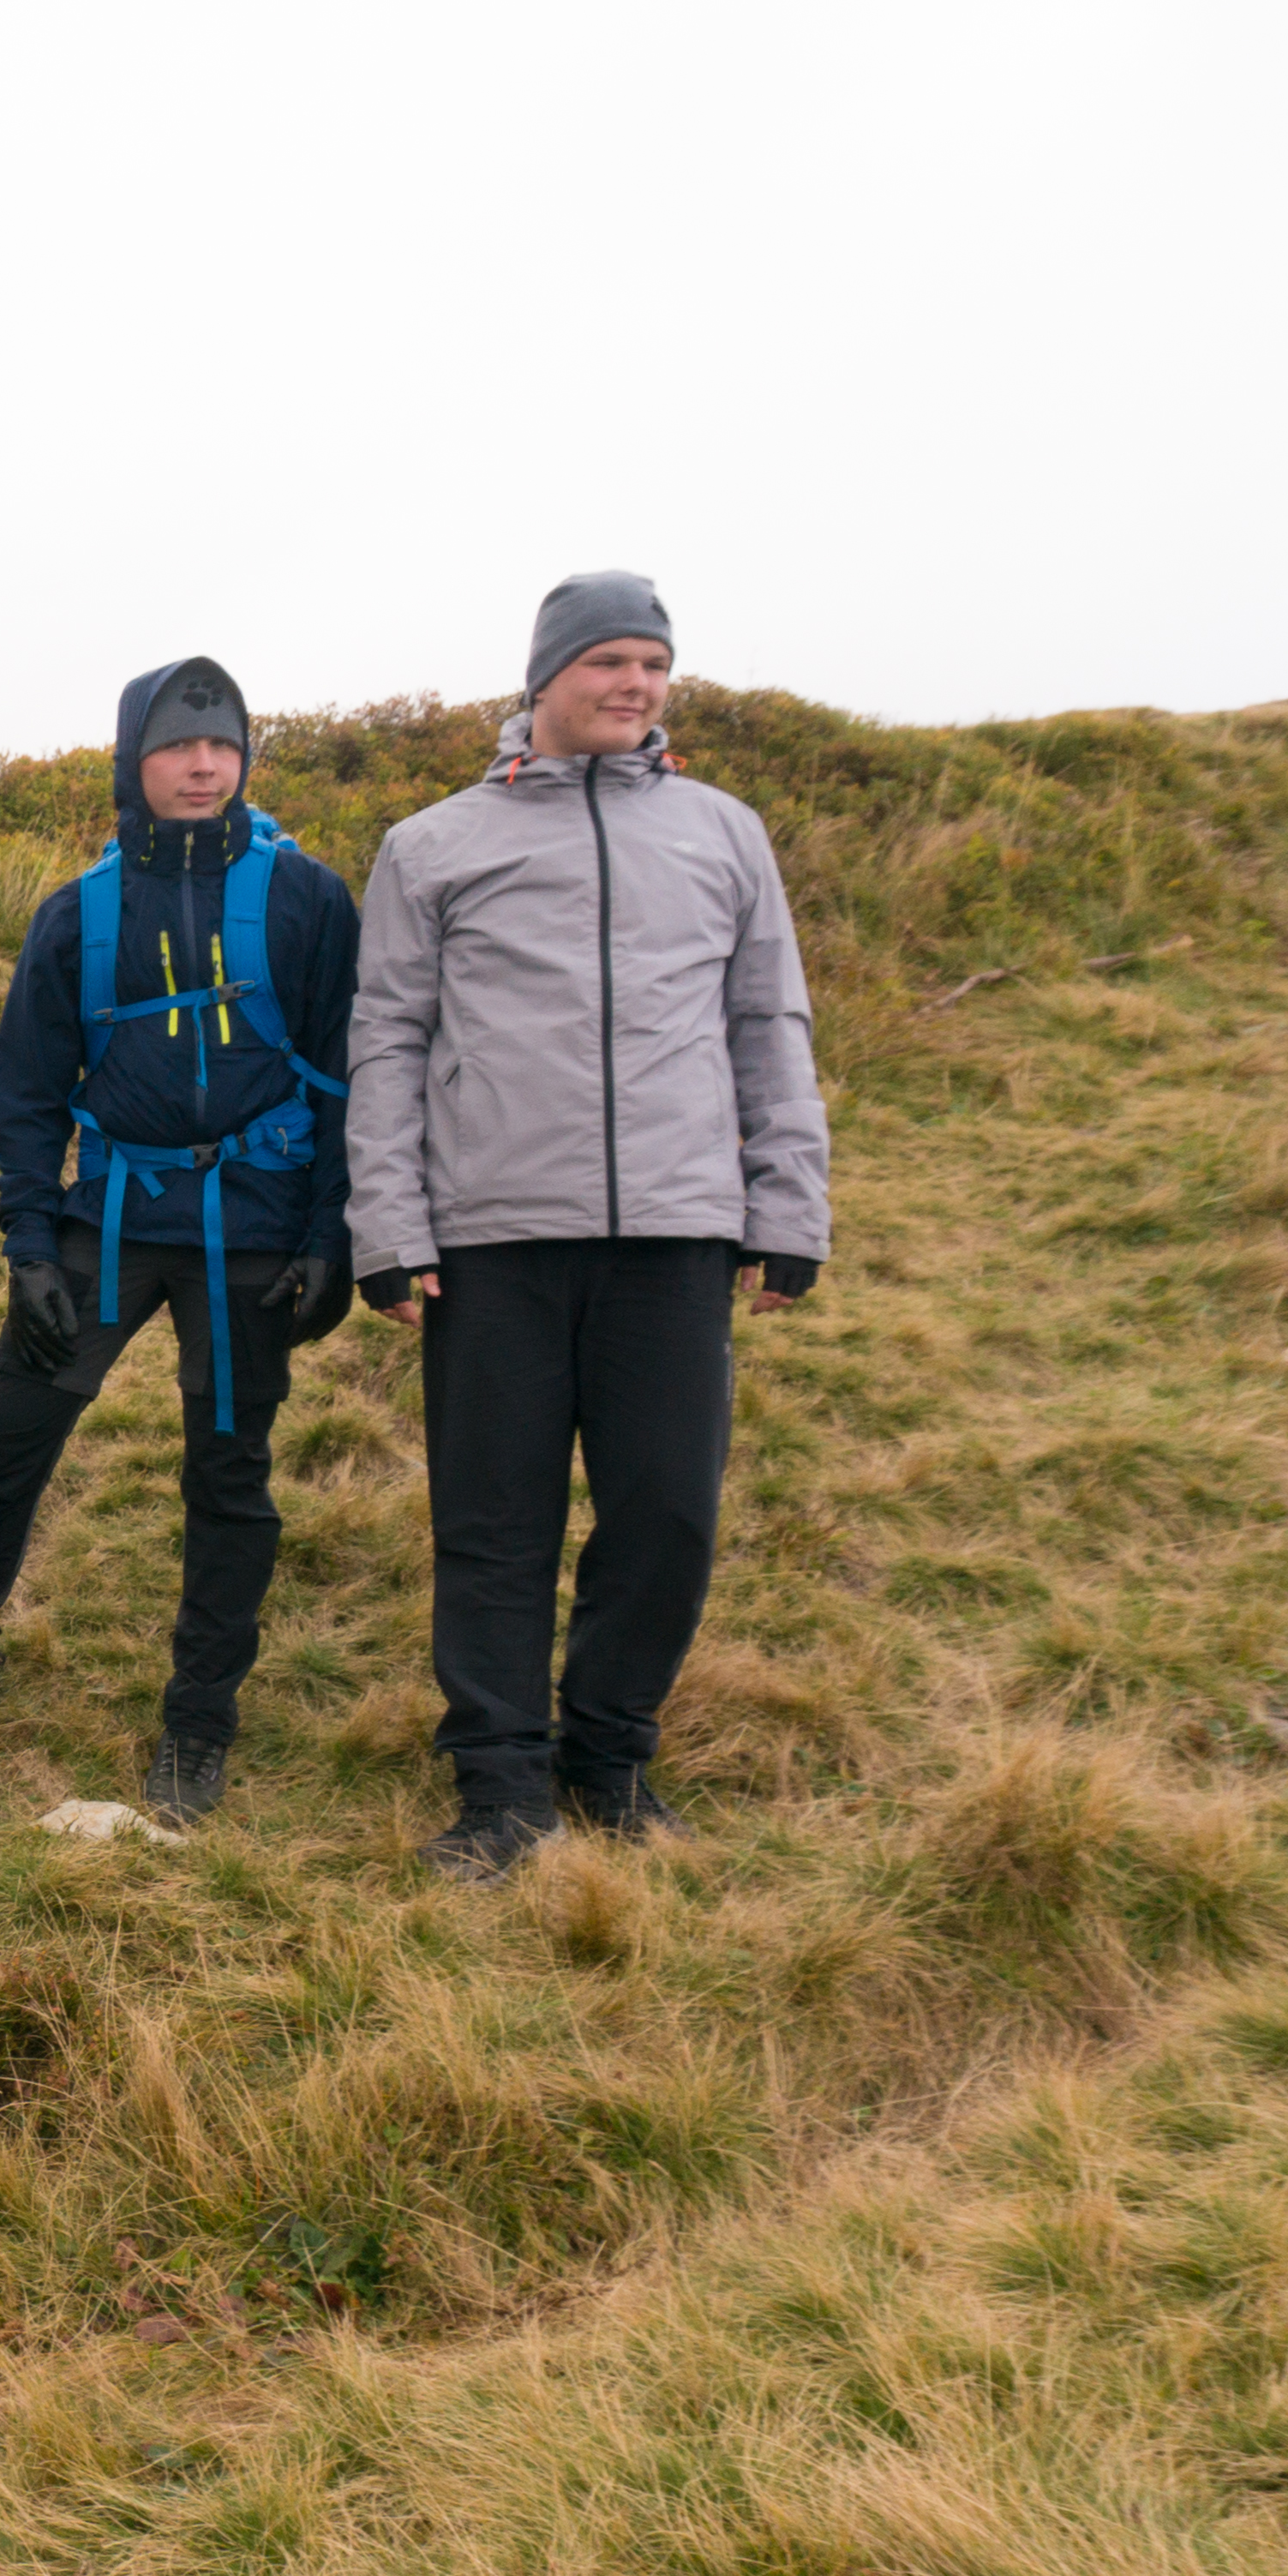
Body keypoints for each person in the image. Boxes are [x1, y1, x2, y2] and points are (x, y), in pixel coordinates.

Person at [348, 573, 831, 1881]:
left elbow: (767, 1027)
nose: (637, 685)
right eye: (611, 661)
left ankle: (609, 1760)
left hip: (676, 1233)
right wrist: (387, 1227)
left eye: (655, 664)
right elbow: (386, 1043)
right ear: (546, 677)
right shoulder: (434, 844)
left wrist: (787, 1207)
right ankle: (500, 1791)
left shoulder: (725, 834)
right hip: (492, 1241)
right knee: (494, 1525)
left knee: (667, 1515)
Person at [0, 659, 361, 1823]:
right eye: (178, 748)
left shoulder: (308, 900)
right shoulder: (77, 912)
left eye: (222, 747)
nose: (200, 766)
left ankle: (199, 1722)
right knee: (8, 1433)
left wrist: (335, 1230)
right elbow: (27, 1091)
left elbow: (347, 1074)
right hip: (110, 1220)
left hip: (253, 1231)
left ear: (244, 761)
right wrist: (31, 1246)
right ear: (135, 760)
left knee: (228, 1477)